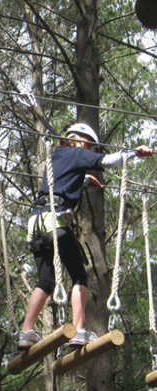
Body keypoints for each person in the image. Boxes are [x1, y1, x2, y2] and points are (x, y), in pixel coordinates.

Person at [17, 123, 153, 350]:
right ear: (82, 142)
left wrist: (83, 180)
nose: (91, 153)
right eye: (91, 148)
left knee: (45, 281)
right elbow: (106, 162)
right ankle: (79, 330)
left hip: (34, 222)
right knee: (79, 277)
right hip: (55, 221)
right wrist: (135, 153)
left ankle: (26, 331)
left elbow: (61, 181)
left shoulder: (56, 156)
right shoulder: (77, 152)